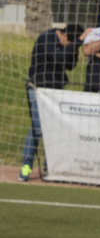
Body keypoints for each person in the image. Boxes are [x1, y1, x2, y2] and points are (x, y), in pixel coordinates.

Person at [19, 23, 85, 182]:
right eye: (70, 43)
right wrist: (76, 42)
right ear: (63, 35)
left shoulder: (68, 44)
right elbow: (57, 57)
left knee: (55, 129)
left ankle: (51, 167)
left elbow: (70, 65)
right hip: (38, 89)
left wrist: (75, 48)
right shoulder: (46, 38)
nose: (70, 47)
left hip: (56, 91)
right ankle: (26, 166)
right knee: (38, 127)